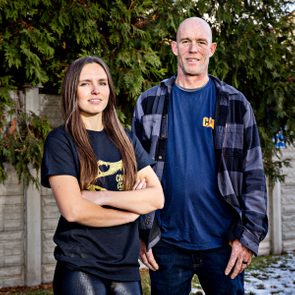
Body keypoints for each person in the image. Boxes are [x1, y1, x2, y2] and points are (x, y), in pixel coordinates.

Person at [132, 17, 268, 295]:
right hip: (167, 243)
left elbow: (253, 175)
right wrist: (140, 235)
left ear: (212, 49)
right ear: (174, 47)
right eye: (186, 42)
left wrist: (248, 238)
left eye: (201, 42)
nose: (193, 49)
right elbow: (133, 177)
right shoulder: (149, 102)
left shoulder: (235, 104)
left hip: (224, 244)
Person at [41, 56, 164, 295]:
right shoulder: (61, 141)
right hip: (80, 266)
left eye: (102, 82)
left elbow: (156, 197)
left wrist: (100, 197)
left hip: (126, 267)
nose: (96, 90)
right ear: (72, 91)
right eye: (85, 83)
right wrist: (130, 213)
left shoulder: (126, 139)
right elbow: (73, 210)